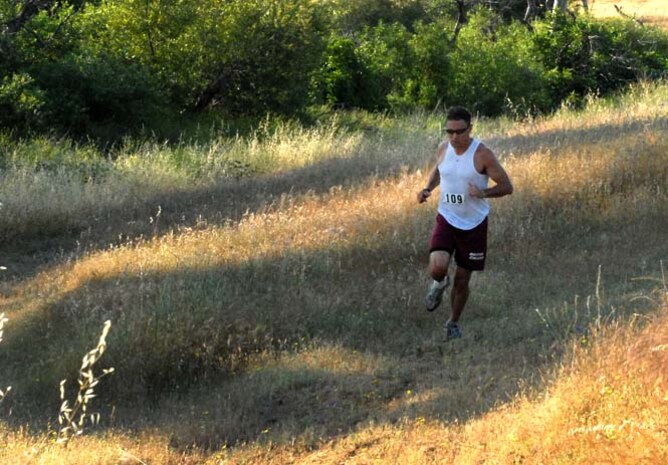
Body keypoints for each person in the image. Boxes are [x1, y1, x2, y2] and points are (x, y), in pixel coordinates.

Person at [417, 106, 513, 339]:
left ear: (470, 129)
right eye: (449, 132)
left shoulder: (483, 154)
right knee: (437, 267)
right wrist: (427, 188)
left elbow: (507, 187)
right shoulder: (443, 148)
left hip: (474, 224)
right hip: (447, 217)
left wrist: (483, 193)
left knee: (462, 280)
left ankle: (452, 323)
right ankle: (439, 284)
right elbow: (440, 171)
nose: (454, 137)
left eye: (459, 132)